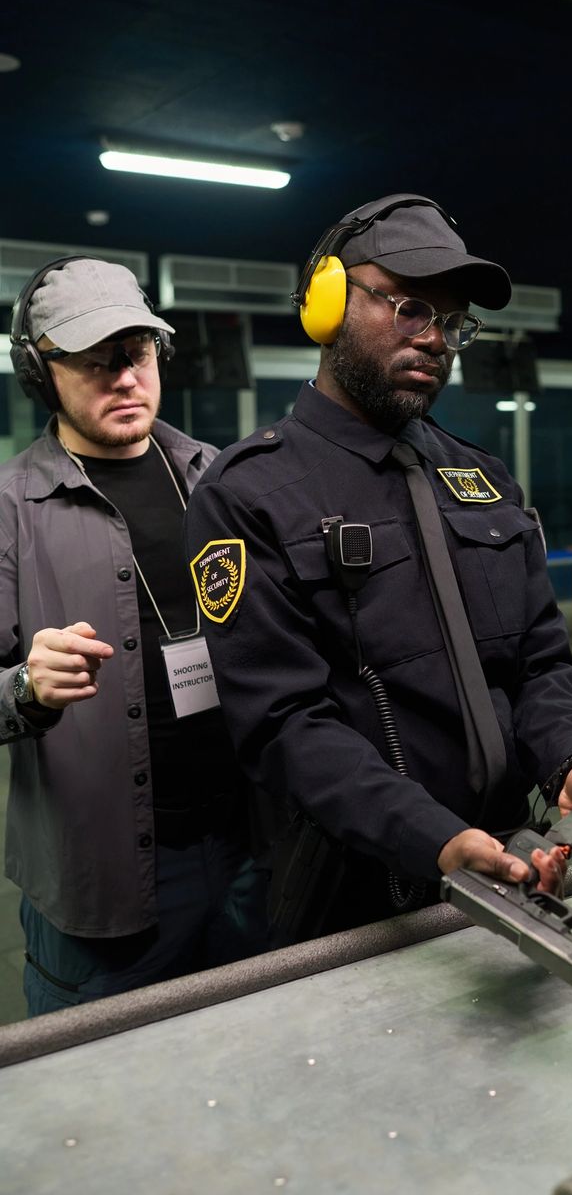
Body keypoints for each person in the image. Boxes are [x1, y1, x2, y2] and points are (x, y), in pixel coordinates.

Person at [185, 194, 572, 939]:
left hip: (510, 856)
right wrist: (433, 838)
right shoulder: (248, 495)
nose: (435, 339)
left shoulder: (485, 478)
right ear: (328, 304)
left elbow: (539, 663)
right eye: (408, 309)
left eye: (452, 321)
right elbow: (284, 723)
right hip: (352, 882)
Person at [3, 256, 272, 1015]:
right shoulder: (10, 509)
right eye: (94, 362)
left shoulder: (217, 477)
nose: (124, 378)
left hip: (250, 851)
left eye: (138, 354)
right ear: (39, 373)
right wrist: (25, 687)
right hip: (107, 880)